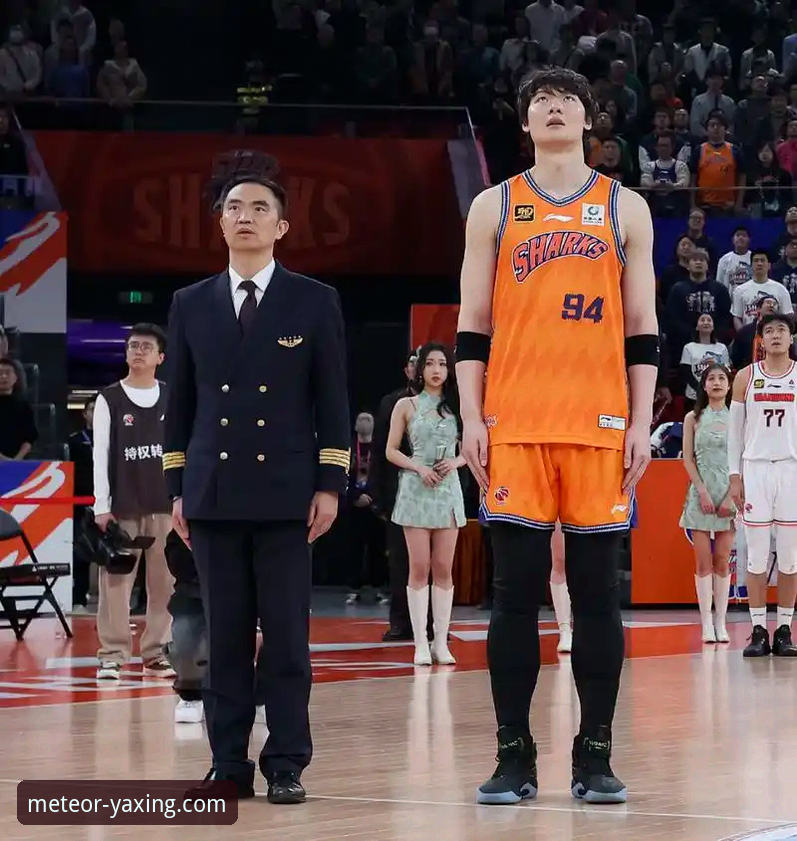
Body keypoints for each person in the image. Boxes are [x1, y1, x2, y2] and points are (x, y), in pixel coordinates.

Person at [456, 67, 658, 806]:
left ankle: (594, 751)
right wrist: (471, 417)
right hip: (515, 422)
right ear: (524, 123)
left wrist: (640, 421)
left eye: (567, 99)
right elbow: (472, 323)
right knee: (513, 595)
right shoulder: (494, 205)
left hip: (598, 423)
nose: (552, 107)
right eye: (539, 100)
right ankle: (513, 752)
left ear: (588, 119)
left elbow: (642, 326)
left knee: (597, 596)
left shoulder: (625, 206)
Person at [163, 152, 350, 804]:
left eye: (259, 208)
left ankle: (287, 762)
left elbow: (332, 400)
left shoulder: (314, 300)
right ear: (220, 223)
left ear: (282, 226)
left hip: (287, 496)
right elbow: (180, 405)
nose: (245, 217)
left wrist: (330, 484)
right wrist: (176, 489)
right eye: (234, 208)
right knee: (225, 638)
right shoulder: (190, 303)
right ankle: (227, 764)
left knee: (288, 640)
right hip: (212, 493)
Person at [92, 324, 175, 681]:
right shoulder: (109, 398)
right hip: (122, 506)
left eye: (146, 347)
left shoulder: (172, 397)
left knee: (165, 584)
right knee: (115, 584)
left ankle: (156, 652)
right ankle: (112, 654)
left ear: (160, 357)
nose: (138, 351)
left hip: (166, 506)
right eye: (133, 345)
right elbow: (100, 454)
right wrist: (101, 505)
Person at [386, 342, 466, 666]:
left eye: (442, 364)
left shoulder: (459, 406)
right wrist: (418, 467)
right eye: (430, 363)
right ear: (419, 369)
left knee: (444, 567)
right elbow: (391, 450)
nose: (436, 370)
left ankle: (440, 641)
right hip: (416, 488)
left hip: (448, 489)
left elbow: (473, 449)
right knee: (419, 567)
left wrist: (456, 462)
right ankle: (420, 642)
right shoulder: (405, 405)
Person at [728, 313, 797, 658]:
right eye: (769, 331)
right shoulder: (745, 377)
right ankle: (757, 630)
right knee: (755, 557)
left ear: (791, 337)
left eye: (781, 330)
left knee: (790, 558)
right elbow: (734, 432)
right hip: (755, 469)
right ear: (761, 339)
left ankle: (784, 629)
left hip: (791, 470)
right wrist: (734, 476)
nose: (775, 335)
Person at [368, 351, 427, 641]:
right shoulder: (392, 402)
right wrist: (377, 494)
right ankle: (401, 622)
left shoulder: (448, 402)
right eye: (415, 363)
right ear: (407, 370)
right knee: (401, 561)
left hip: (437, 492)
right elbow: (380, 450)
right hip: (400, 491)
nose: (420, 369)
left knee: (435, 562)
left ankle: (433, 624)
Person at [679, 364, 735, 644]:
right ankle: (706, 624)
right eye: (711, 378)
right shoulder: (693, 417)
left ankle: (721, 622)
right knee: (703, 562)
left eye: (722, 378)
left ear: (729, 385)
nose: (716, 382)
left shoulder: (738, 417)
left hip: (729, 494)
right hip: (700, 495)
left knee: (722, 560)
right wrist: (701, 491)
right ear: (703, 386)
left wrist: (731, 495)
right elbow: (688, 459)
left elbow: (742, 458)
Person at [345, 411, 386, 605]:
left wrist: (373, 497)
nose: (364, 422)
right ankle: (353, 588)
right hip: (353, 506)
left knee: (378, 549)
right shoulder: (349, 448)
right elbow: (343, 475)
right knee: (353, 548)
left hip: (376, 506)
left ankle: (378, 588)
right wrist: (355, 497)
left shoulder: (380, 450)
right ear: (355, 426)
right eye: (360, 419)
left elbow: (384, 476)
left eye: (368, 419)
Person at [68, 394, 95, 612]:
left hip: (111, 502)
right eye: (92, 409)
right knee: (81, 551)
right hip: (80, 502)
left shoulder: (117, 439)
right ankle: (79, 599)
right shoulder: (75, 441)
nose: (96, 414)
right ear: (85, 414)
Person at [731, 250, 793, 332]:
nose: (759, 263)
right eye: (756, 261)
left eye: (762, 260)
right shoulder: (740, 290)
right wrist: (744, 335)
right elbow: (737, 317)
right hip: (749, 334)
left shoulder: (781, 289)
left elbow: (787, 316)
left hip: (774, 335)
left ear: (769, 265)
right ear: (751, 265)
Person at [679, 314, 730, 413]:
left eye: (709, 320)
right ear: (697, 327)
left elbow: (727, 371)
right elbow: (686, 373)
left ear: (713, 326)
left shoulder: (722, 348)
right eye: (702, 320)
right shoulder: (689, 347)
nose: (706, 322)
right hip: (694, 397)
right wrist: (701, 389)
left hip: (717, 396)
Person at [0, 358, 37, 460]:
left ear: (16, 378)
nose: (3, 376)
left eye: (7, 373)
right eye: (0, 373)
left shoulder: (24, 406)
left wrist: (16, 460)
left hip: (17, 462)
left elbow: (29, 438)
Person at [715, 227, 751, 293]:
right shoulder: (724, 260)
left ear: (749, 240)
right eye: (738, 235)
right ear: (733, 240)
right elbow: (719, 283)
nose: (740, 238)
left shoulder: (754, 258)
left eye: (744, 235)